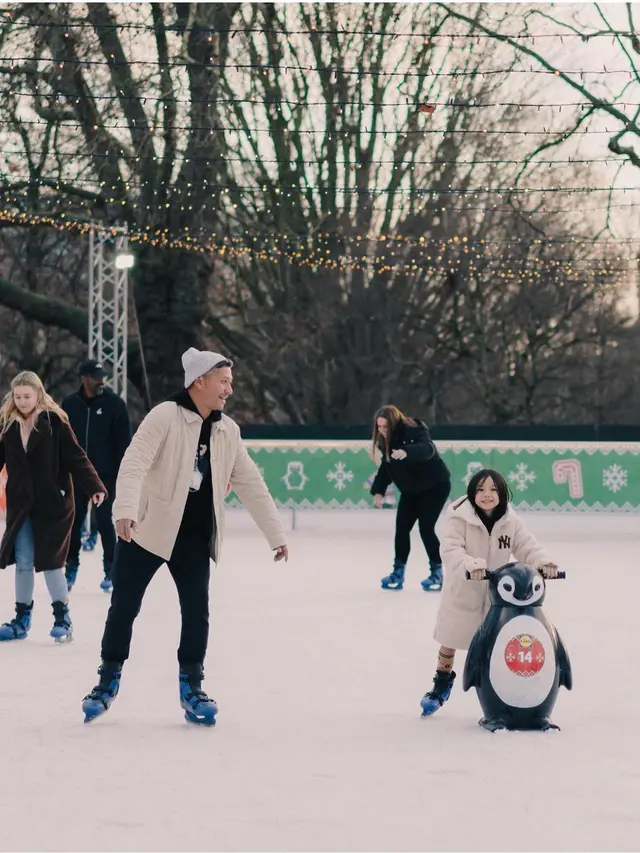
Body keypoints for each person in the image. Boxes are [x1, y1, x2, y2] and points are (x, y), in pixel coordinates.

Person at [82, 348, 289, 727]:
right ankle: (106, 680)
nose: (230, 389)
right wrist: (125, 510)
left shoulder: (228, 430)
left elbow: (250, 482)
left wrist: (275, 533)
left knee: (197, 611)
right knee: (124, 608)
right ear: (200, 381)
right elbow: (134, 462)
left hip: (194, 538)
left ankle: (191, 686)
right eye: (224, 381)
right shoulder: (164, 416)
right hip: (147, 531)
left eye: (230, 382)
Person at [420, 468, 560, 715]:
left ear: (502, 493)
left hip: (497, 598)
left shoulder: (510, 520)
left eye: (493, 490)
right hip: (462, 593)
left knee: (495, 645)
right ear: (472, 493)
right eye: (481, 490)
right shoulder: (458, 518)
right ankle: (441, 684)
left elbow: (527, 545)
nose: (487, 495)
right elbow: (451, 550)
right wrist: (469, 565)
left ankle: (497, 691)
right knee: (451, 640)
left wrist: (543, 563)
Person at [0, 371, 107, 643]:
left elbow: (76, 457)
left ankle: (62, 618)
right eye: (18, 396)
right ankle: (21, 619)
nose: (23, 401)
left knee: (51, 562)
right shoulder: (7, 426)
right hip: (21, 504)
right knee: (23, 562)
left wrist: (94, 486)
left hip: (53, 504)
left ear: (38, 394)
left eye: (27, 396)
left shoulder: (55, 422)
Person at [62, 359, 131, 593]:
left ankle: (111, 570)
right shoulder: (70, 405)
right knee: (74, 522)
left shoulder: (115, 405)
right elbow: (61, 441)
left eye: (103, 376)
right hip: (77, 475)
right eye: (95, 376)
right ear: (84, 378)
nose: (101, 380)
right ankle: (70, 566)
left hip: (105, 477)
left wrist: (122, 474)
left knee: (104, 523)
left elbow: (124, 443)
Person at [370, 405, 451, 592]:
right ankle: (398, 572)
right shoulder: (386, 441)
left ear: (395, 423)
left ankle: (437, 572)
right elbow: (386, 466)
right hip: (411, 490)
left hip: (435, 486)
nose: (382, 431)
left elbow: (428, 449)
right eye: (379, 427)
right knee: (402, 529)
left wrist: (407, 452)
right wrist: (379, 490)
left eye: (385, 427)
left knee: (426, 528)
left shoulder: (414, 429)